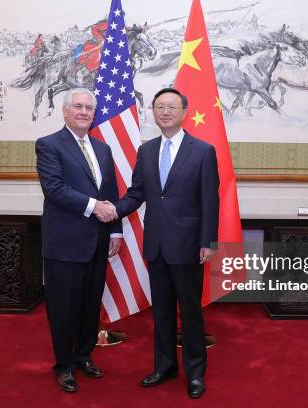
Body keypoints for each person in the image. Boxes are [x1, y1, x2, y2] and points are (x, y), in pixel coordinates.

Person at [103, 88, 219, 399]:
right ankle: (165, 366)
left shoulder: (203, 151)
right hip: (156, 245)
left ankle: (195, 373)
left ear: (183, 112)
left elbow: (210, 200)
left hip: (189, 246)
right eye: (159, 107)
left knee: (190, 312)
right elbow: (137, 193)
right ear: (153, 113)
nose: (165, 111)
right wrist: (115, 209)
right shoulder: (147, 151)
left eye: (171, 107)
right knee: (162, 312)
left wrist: (208, 242)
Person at [35, 88, 121, 393]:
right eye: (78, 107)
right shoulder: (49, 145)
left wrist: (115, 230)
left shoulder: (103, 149)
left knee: (89, 306)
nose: (84, 112)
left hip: (98, 242)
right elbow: (54, 189)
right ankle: (65, 365)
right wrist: (94, 207)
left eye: (89, 108)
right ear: (65, 111)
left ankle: (84, 355)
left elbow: (111, 192)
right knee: (63, 308)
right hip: (65, 244)